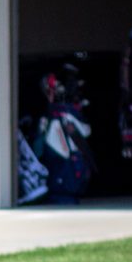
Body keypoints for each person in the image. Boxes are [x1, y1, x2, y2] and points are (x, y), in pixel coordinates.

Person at [31, 69, 94, 204]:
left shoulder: (65, 112)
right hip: (59, 174)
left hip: (65, 174)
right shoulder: (50, 114)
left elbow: (85, 131)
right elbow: (38, 149)